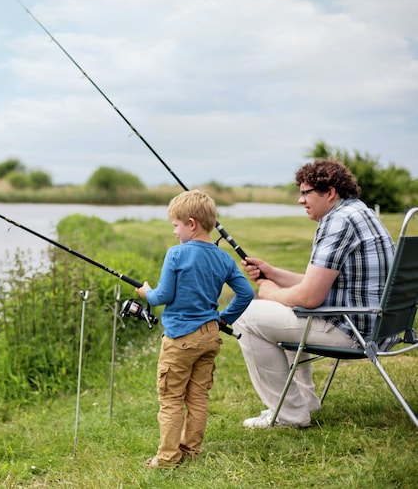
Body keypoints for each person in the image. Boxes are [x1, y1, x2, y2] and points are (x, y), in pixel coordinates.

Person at [236, 159, 395, 428]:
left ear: (329, 192)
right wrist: (273, 273)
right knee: (284, 307)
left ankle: (289, 414)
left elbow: (310, 297)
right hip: (378, 325)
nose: (301, 200)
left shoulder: (338, 221)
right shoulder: (359, 212)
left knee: (246, 315)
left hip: (355, 332)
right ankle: (305, 402)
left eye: (306, 192)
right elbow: (320, 283)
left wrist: (272, 292)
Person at [136, 189, 254, 468]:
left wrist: (145, 292)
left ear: (191, 223)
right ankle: (190, 450)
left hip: (180, 339)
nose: (175, 232)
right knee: (198, 396)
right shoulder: (223, 258)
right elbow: (246, 293)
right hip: (210, 336)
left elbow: (161, 296)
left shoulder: (176, 254)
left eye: (176, 226)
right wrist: (223, 319)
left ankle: (166, 457)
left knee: (171, 398)